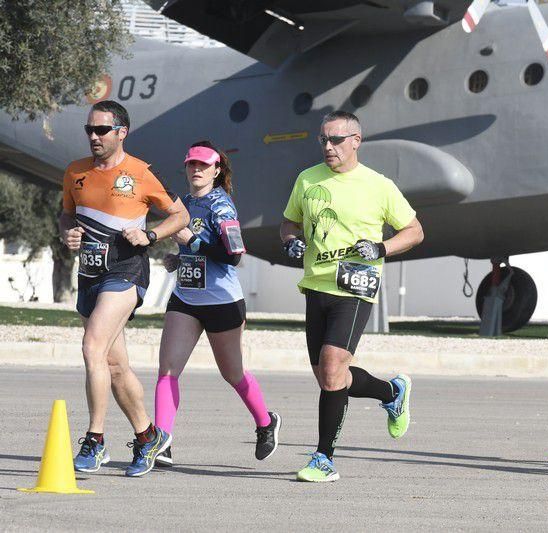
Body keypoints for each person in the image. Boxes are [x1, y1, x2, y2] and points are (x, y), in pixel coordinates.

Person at [280, 111, 424, 482]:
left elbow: (414, 231)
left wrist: (382, 248)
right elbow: (289, 223)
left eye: (337, 140)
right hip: (316, 285)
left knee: (332, 366)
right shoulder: (307, 178)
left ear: (356, 141)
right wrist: (291, 242)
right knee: (330, 376)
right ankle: (392, 391)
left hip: (355, 285)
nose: (329, 147)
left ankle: (323, 458)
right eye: (323, 140)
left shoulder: (379, 185)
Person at [59, 100, 189, 477]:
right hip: (89, 274)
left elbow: (180, 215)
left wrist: (149, 234)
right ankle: (148, 436)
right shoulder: (74, 171)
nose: (94, 137)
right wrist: (67, 232)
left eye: (102, 130)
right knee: (114, 365)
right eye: (89, 130)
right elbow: (67, 212)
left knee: (92, 347)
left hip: (127, 271)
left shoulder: (142, 173)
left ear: (121, 132)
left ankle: (95, 441)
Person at [152, 141, 281, 467]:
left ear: (217, 170)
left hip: (222, 302)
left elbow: (233, 256)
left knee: (233, 373)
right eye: (191, 164)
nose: (196, 170)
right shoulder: (185, 205)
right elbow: (194, 248)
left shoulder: (221, 206)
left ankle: (266, 422)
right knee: (167, 370)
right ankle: (162, 441)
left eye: (203, 165)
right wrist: (180, 258)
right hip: (186, 298)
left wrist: (191, 241)